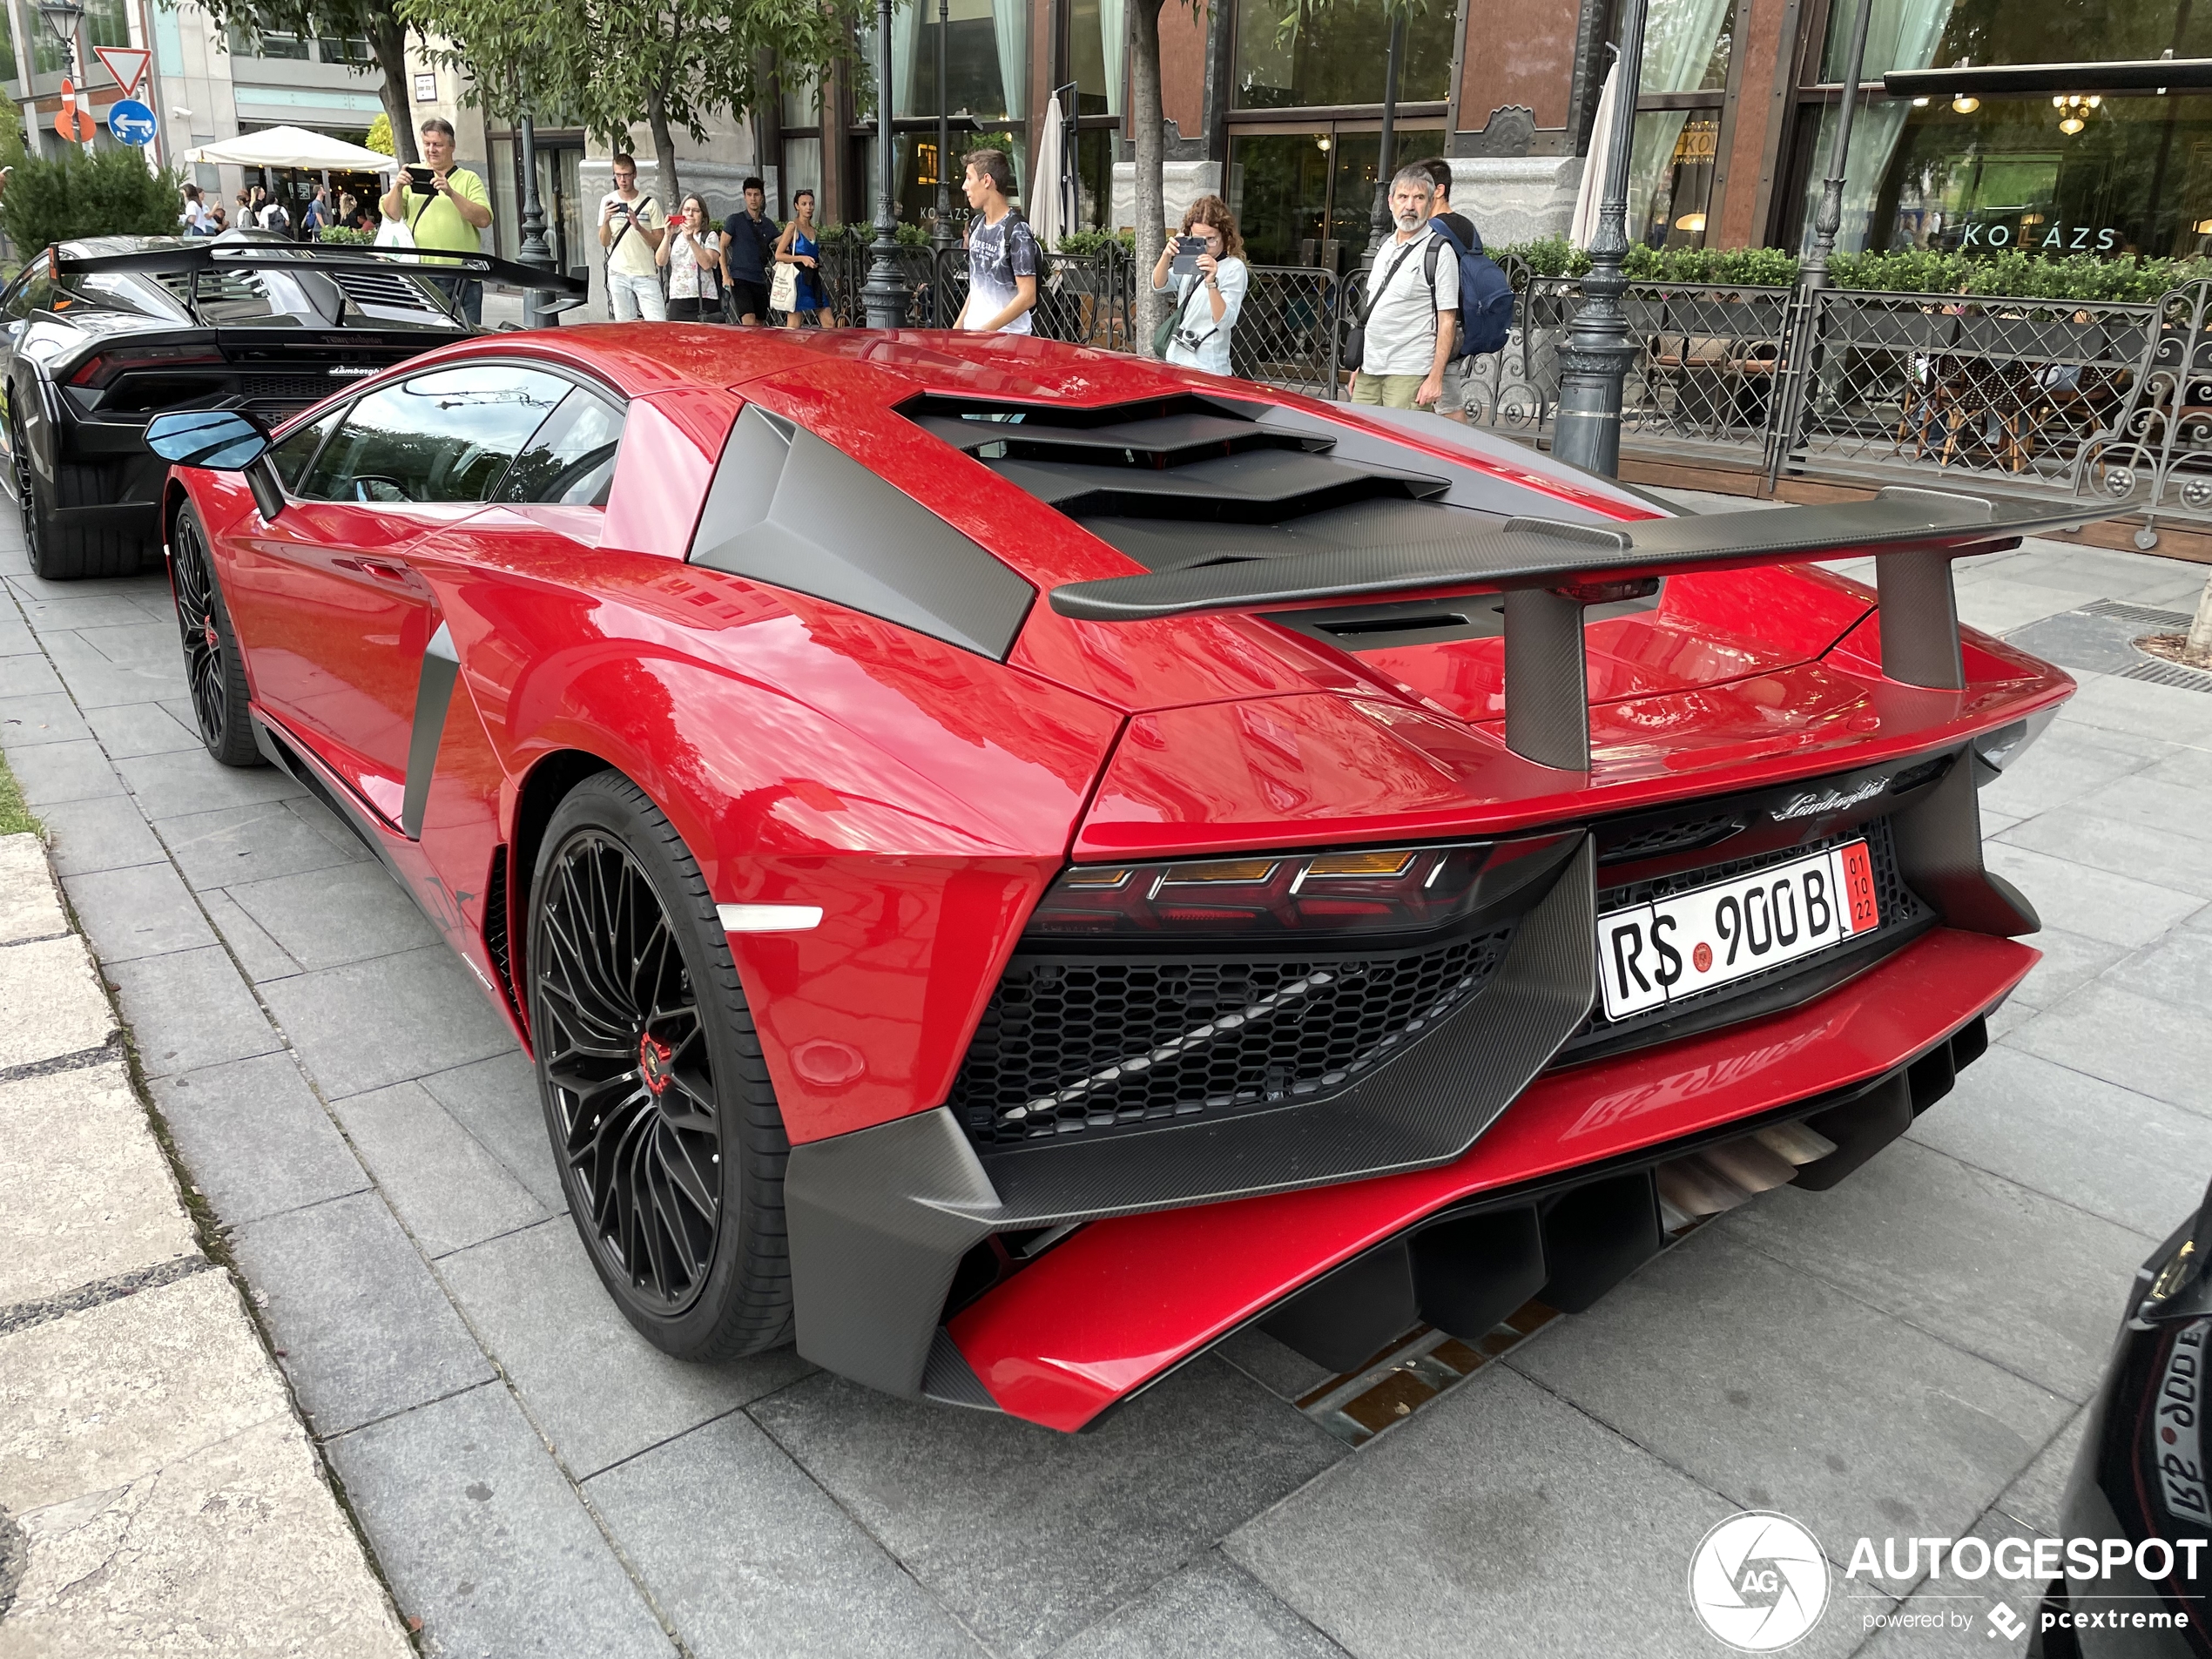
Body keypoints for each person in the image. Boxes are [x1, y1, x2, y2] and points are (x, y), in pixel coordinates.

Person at [1352, 165, 1457, 411]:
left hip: (1409, 374)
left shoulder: (1440, 252)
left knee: (1398, 447)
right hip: (1370, 370)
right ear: (1390, 202)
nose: (1410, 206)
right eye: (1403, 197)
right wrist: (1360, 365)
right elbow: (1373, 308)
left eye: (1419, 198)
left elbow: (1448, 321)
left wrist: (1435, 378)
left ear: (1431, 203)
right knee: (1359, 444)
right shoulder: (1385, 245)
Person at [380, 118, 494, 324]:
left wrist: (451, 193)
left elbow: (484, 219)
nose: (431, 150)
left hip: (463, 276)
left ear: (452, 146)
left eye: (438, 144)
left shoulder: (468, 178)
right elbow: (392, 214)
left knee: (467, 336)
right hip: (424, 274)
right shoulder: (412, 175)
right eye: (427, 144)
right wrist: (397, 187)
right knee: (428, 333)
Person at [1149, 194, 1249, 376]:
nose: (1205, 247)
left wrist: (1211, 282)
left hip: (1209, 366)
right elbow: (1159, 284)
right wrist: (1166, 255)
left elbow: (1225, 321)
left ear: (1225, 236)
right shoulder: (1190, 261)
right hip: (1177, 360)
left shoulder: (1234, 268)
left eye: (1211, 239)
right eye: (1197, 240)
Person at [1420, 157, 1480, 422]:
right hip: (1461, 323)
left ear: (1439, 190)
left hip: (1438, 324)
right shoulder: (1466, 225)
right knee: (1443, 399)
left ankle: (1461, 457)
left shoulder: (1433, 230)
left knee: (1446, 402)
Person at [958, 147, 1037, 333]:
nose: (964, 186)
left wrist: (986, 331)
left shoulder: (1017, 230)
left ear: (986, 180)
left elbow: (1028, 295)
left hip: (1008, 341)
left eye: (969, 178)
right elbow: (978, 285)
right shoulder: (976, 225)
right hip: (975, 336)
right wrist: (958, 327)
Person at [597, 152, 666, 322]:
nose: (622, 180)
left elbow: (659, 243)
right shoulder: (608, 201)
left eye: (626, 175)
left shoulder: (650, 204)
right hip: (618, 273)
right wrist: (606, 221)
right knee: (625, 328)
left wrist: (638, 227)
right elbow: (605, 242)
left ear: (634, 175)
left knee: (657, 324)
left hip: (645, 274)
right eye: (618, 175)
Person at [659, 192, 725, 322]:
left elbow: (707, 263)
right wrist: (667, 235)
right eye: (687, 210)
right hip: (678, 298)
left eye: (696, 211)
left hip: (704, 300)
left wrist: (691, 240)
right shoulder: (674, 237)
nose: (690, 214)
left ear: (703, 215)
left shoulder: (708, 236)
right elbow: (661, 261)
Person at [721, 176, 779, 325]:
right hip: (740, 278)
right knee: (749, 321)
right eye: (749, 194)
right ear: (744, 196)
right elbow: (721, 245)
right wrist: (725, 275)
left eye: (756, 195)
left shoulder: (768, 224)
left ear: (762, 197)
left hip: (760, 279)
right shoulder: (735, 220)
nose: (753, 198)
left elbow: (782, 242)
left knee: (760, 324)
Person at [773, 188, 828, 327]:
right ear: (797, 206)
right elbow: (779, 255)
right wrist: (802, 258)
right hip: (797, 278)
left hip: (813, 278)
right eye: (804, 204)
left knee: (829, 322)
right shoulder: (792, 227)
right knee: (794, 323)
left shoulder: (813, 229)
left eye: (811, 204)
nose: (808, 207)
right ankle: (789, 349)